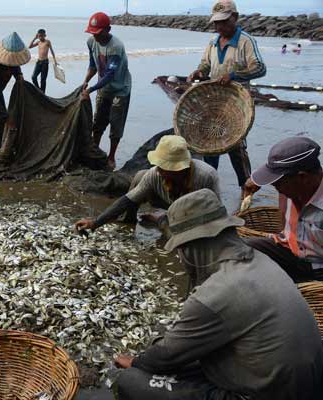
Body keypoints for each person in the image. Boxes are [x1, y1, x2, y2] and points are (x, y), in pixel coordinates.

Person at [111, 188, 323, 400]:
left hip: (263, 394)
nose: (182, 257)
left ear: (192, 246)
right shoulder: (262, 260)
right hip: (302, 385)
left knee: (131, 380)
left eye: (182, 249)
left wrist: (137, 362)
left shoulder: (217, 291)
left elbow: (166, 356)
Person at [188, 0, 266, 200]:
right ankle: (208, 191)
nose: (219, 27)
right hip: (214, 104)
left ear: (235, 18)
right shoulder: (213, 43)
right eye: (216, 23)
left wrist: (233, 75)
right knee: (209, 146)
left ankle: (245, 189)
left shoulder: (245, 41)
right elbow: (205, 65)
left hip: (237, 106)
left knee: (236, 149)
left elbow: (260, 68)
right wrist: (198, 71)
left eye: (223, 22)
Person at [75, 135, 219, 232]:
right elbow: (127, 200)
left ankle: (160, 219)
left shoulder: (206, 176)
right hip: (168, 202)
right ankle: (130, 219)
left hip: (195, 213)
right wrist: (95, 222)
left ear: (177, 169)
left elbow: (215, 213)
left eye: (164, 167)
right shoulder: (156, 173)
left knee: (176, 237)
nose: (159, 170)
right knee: (140, 176)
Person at [242, 136, 323, 282]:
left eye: (278, 184)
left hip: (318, 268)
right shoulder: (293, 186)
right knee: (239, 248)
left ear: (302, 178)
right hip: (291, 252)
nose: (276, 188)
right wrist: (256, 180)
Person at [81, 12, 132, 171]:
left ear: (108, 29)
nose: (95, 37)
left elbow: (110, 75)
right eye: (92, 33)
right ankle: (94, 151)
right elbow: (93, 65)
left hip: (120, 90)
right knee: (98, 123)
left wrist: (90, 89)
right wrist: (86, 81)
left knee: (116, 126)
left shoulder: (116, 47)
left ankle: (111, 157)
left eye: (98, 33)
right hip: (103, 88)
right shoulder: (91, 42)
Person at [29, 29, 57, 93]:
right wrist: (34, 38)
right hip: (38, 62)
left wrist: (55, 60)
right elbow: (30, 46)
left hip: (45, 62)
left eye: (42, 36)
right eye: (39, 36)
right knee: (33, 77)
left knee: (43, 80)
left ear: (45, 35)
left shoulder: (48, 42)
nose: (40, 37)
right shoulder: (38, 42)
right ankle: (39, 90)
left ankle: (43, 93)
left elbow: (52, 51)